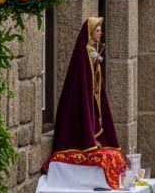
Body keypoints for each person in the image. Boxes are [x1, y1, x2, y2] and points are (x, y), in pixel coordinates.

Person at [51, 17, 121, 153]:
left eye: (100, 31)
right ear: (90, 33)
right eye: (98, 31)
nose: (100, 33)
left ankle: (94, 137)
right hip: (82, 93)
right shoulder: (84, 52)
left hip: (92, 92)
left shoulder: (90, 50)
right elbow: (82, 76)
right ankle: (85, 140)